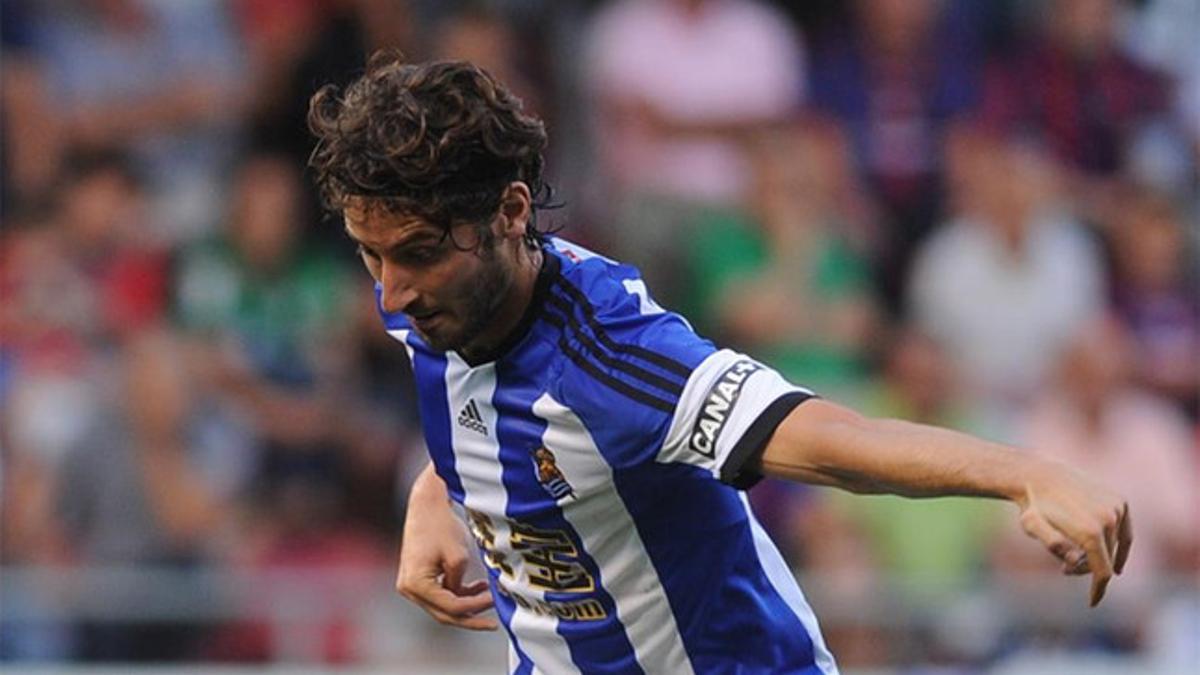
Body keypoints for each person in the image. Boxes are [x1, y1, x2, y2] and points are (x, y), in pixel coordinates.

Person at [307, 54, 1131, 674]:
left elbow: (829, 439)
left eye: (413, 254)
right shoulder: (445, 298)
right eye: (370, 255)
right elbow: (475, 393)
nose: (392, 293)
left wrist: (1026, 473)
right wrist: (439, 491)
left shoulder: (612, 357)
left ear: (510, 212)